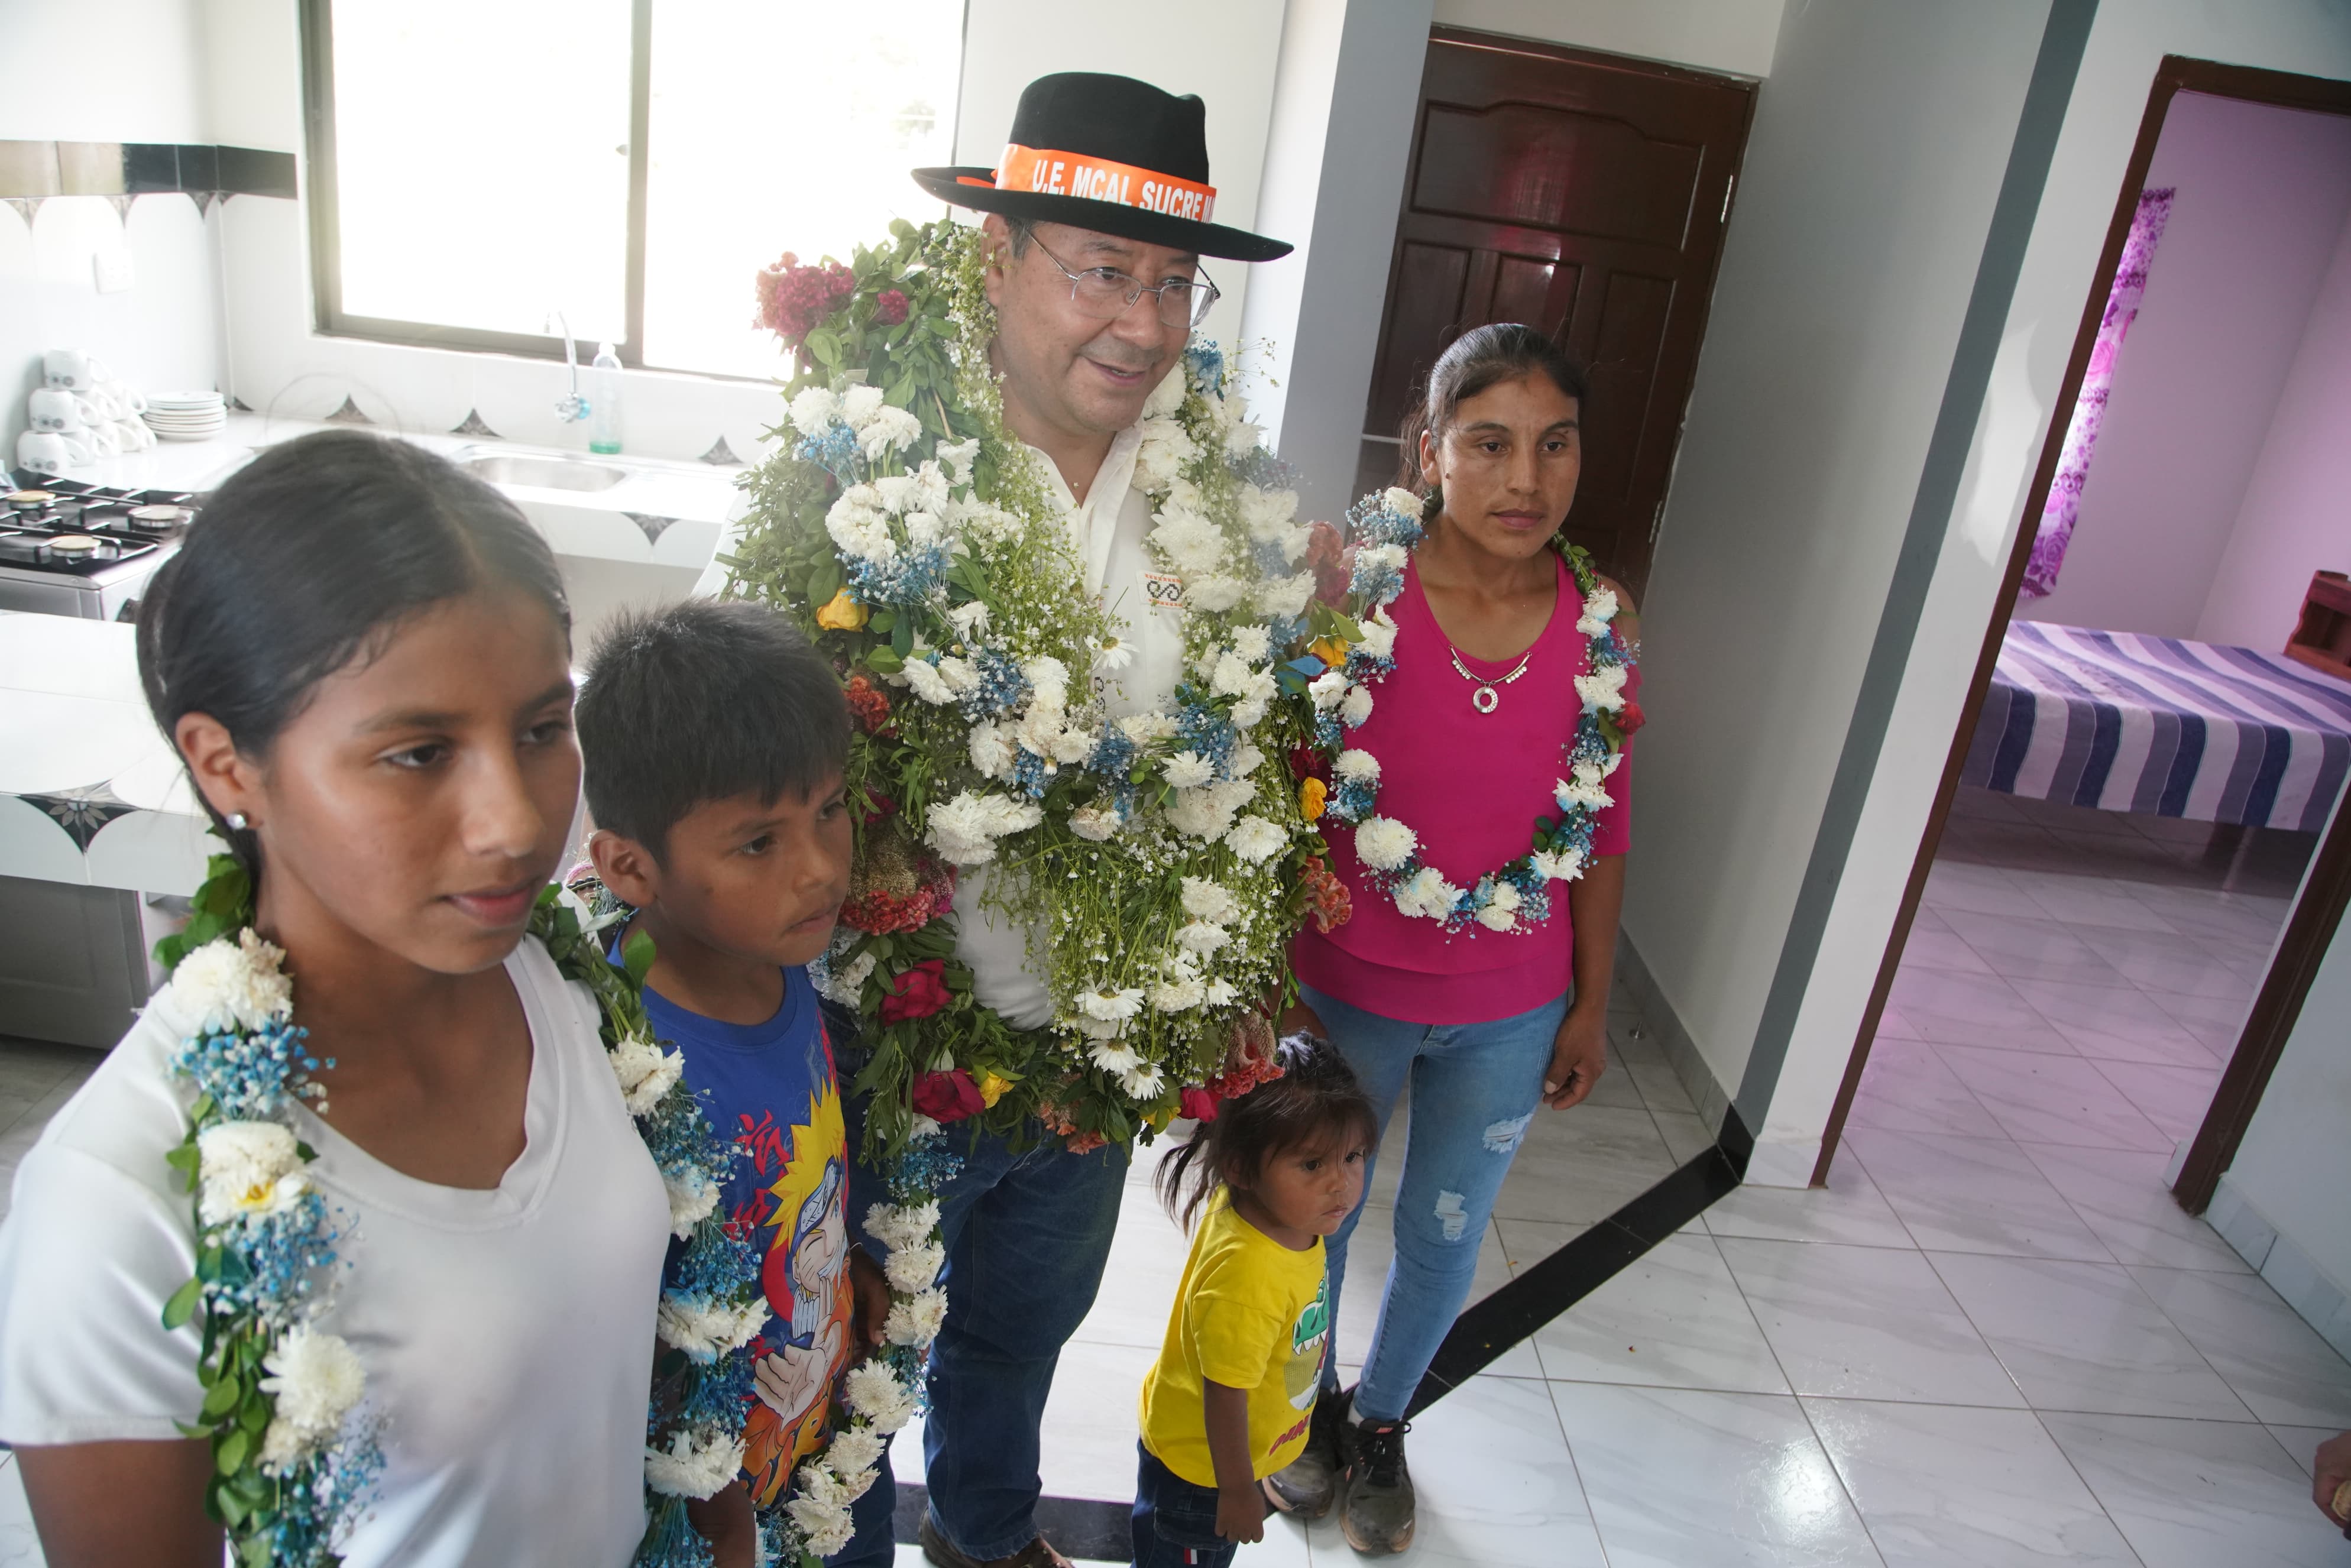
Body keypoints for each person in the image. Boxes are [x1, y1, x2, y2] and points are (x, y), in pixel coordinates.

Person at [0, 430, 673, 1564]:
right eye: (418, 753)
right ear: (227, 764)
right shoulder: (121, 1202)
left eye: (541, 729)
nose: (517, 823)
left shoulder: (554, 983)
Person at [842, 72, 1298, 1568]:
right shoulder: (871, 470)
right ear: (997, 256)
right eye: (1103, 270)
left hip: (1090, 1069)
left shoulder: (1209, 493)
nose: (1144, 324)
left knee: (1018, 1337)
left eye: (1173, 283)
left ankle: (982, 1532)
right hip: (894, 1047)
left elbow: (1248, 754)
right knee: (849, 1351)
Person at [1267, 325, 1638, 1555]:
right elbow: (1278, 790)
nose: (1524, 479)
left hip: (1509, 1008)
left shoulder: (1599, 627)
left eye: (1553, 445)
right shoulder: (1355, 594)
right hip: (1343, 994)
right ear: (1429, 452)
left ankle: (1381, 1422)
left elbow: (1601, 829)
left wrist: (1588, 1003)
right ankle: (1304, 1409)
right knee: (1313, 1213)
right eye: (1488, 444)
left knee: (1442, 1226)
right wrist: (1267, 978)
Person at [575, 600, 896, 1565]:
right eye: (759, 843)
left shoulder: (779, 960)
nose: (820, 869)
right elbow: (637, 1341)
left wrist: (844, 1268)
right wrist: (719, 1523)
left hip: (810, 1439)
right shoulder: (625, 1069)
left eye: (829, 810)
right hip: (711, 1510)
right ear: (629, 868)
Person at [1132, 1037, 1375, 1568]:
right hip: (1204, 1475)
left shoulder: (1278, 1213)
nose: (1341, 1184)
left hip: (1226, 1462)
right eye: (1312, 1165)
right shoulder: (1248, 1281)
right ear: (1241, 1168)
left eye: (1353, 1157)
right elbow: (1225, 1396)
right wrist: (1239, 1491)